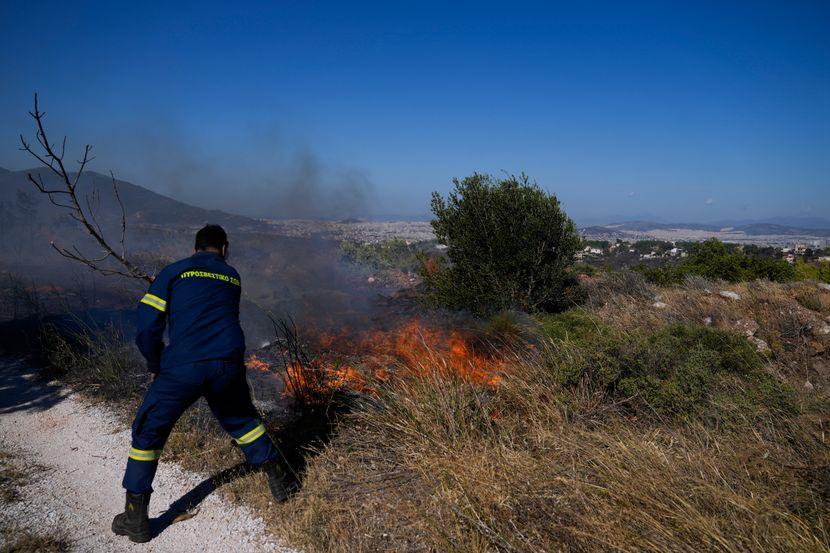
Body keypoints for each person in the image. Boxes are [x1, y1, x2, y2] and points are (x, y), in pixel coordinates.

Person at [112, 224, 288, 543]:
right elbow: (207, 303)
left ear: (195, 248)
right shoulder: (232, 276)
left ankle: (135, 517)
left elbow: (147, 326)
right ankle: (279, 480)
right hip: (227, 364)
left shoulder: (174, 271)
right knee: (243, 420)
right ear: (224, 248)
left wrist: (155, 363)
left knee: (149, 430)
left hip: (183, 366)